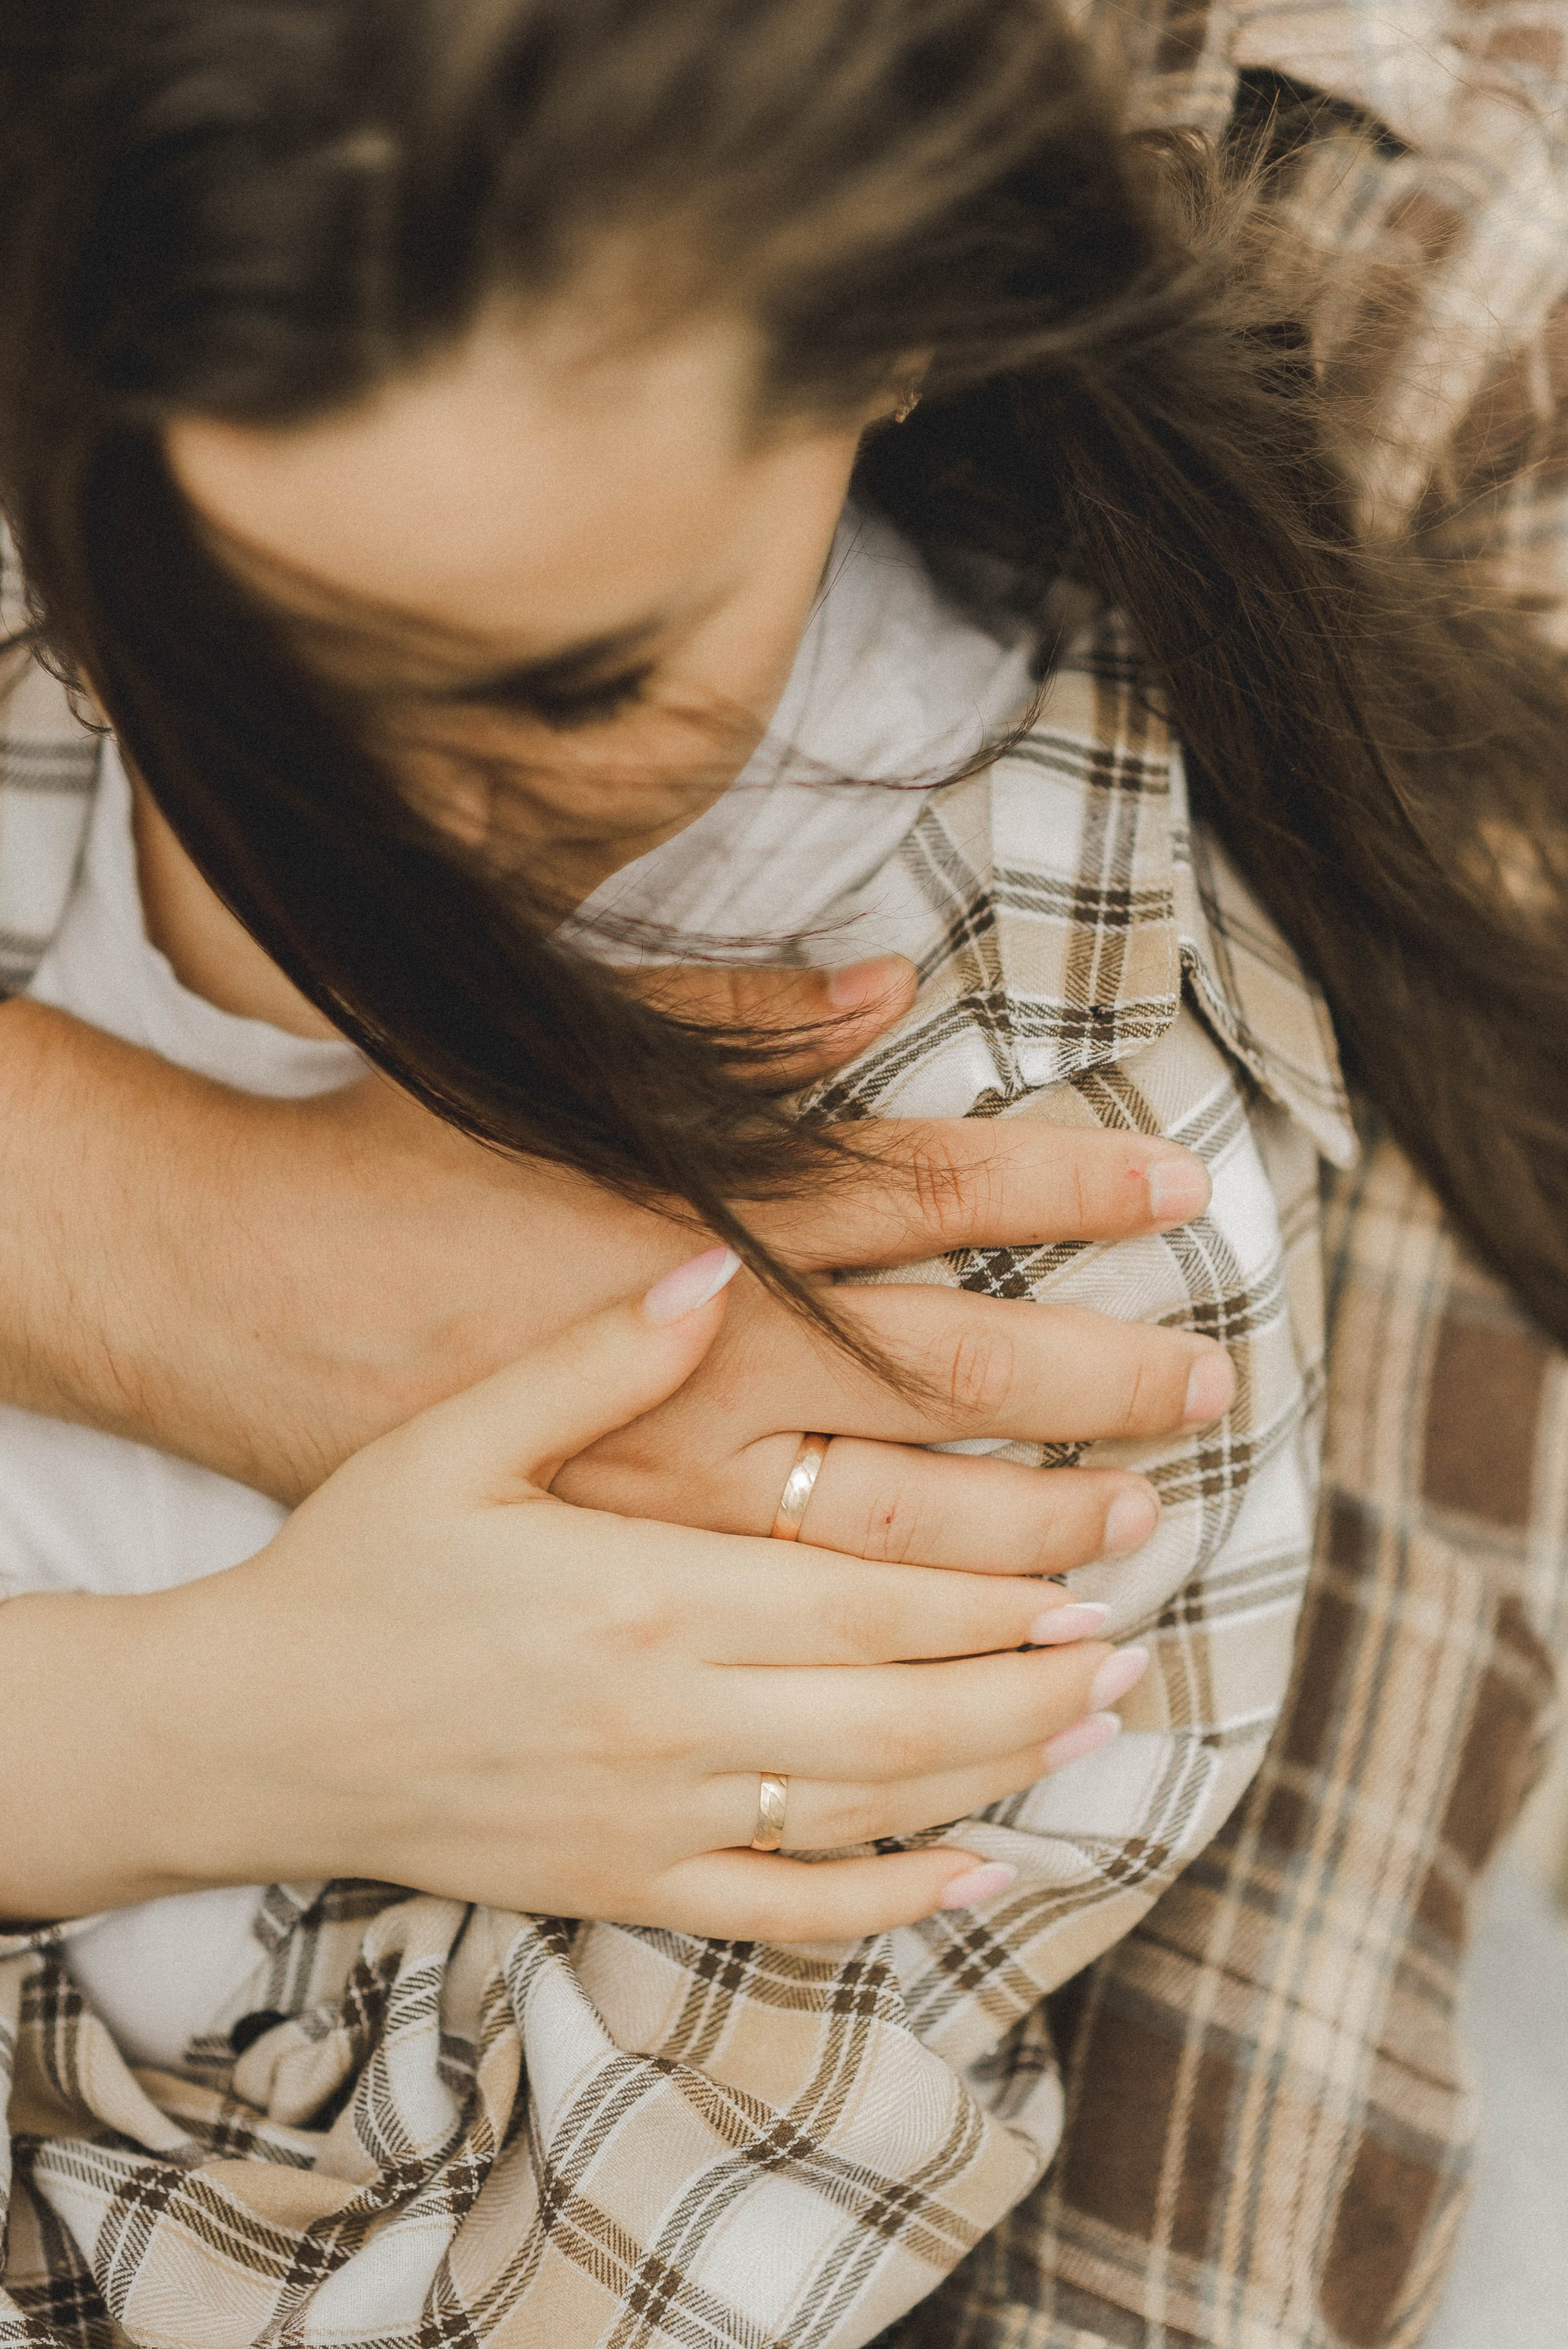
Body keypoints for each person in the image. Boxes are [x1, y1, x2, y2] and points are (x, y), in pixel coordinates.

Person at [0, 1, 1562, 2344]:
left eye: (566, 687)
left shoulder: (1049, 1222)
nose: (378, 840)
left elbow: (612, 2276)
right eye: (238, 655)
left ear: (898, 321)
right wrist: (191, 1722)